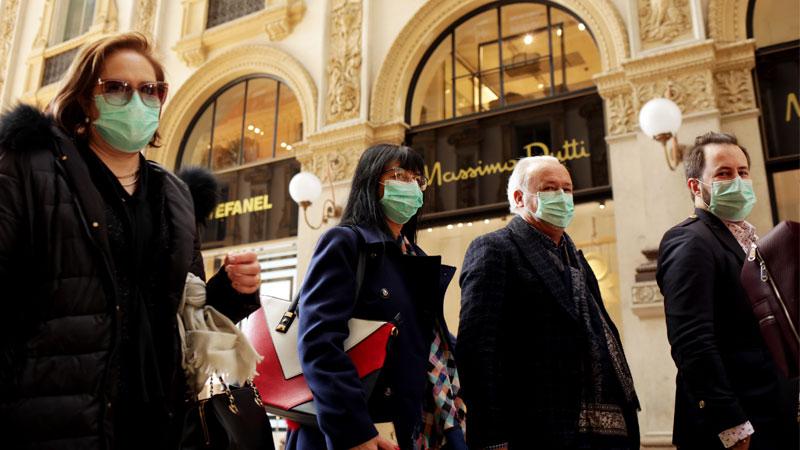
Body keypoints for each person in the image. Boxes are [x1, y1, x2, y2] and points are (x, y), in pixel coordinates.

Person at [0, 33, 262, 449]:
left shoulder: (174, 194)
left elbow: (185, 317)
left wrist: (233, 292)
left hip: (158, 424)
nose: (137, 100)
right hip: (53, 422)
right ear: (85, 98)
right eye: (116, 88)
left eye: (150, 89)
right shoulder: (31, 170)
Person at [286, 144, 466, 450]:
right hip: (357, 430)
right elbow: (319, 341)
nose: (410, 186)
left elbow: (429, 338)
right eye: (399, 175)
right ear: (372, 182)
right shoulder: (346, 242)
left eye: (416, 180)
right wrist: (353, 430)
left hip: (410, 425)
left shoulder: (414, 256)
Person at [458, 155, 640, 449]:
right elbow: (477, 353)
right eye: (550, 188)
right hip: (534, 429)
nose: (562, 197)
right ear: (519, 198)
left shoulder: (575, 258)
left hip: (602, 430)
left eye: (567, 189)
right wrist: (491, 439)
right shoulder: (495, 249)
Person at [656, 132, 798, 450]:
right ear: (695, 186)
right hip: (734, 428)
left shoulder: (751, 239)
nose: (738, 180)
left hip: (772, 413)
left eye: (742, 172)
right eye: (724, 173)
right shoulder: (690, 241)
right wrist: (731, 426)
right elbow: (692, 342)